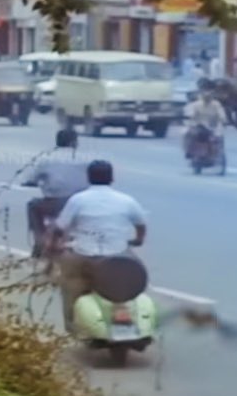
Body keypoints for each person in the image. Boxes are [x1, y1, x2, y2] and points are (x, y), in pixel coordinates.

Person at [50, 160, 147, 335]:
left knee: (70, 286)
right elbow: (141, 225)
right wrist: (138, 241)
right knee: (134, 278)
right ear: (112, 178)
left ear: (89, 178)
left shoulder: (78, 199)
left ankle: (73, 326)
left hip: (83, 254)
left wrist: (55, 245)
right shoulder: (126, 200)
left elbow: (60, 228)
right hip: (118, 255)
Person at [22, 129, 91, 255]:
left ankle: (39, 240)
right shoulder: (85, 159)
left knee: (32, 206)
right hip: (81, 204)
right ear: (74, 142)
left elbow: (30, 178)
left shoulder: (47, 158)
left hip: (55, 203)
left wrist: (31, 182)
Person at [183, 85, 228, 159]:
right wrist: (190, 117)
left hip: (212, 127)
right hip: (198, 127)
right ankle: (189, 151)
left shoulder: (216, 105)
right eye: (205, 97)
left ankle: (216, 153)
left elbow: (221, 113)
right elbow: (191, 114)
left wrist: (224, 120)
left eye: (209, 97)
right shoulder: (196, 105)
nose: (207, 98)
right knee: (188, 134)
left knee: (219, 138)